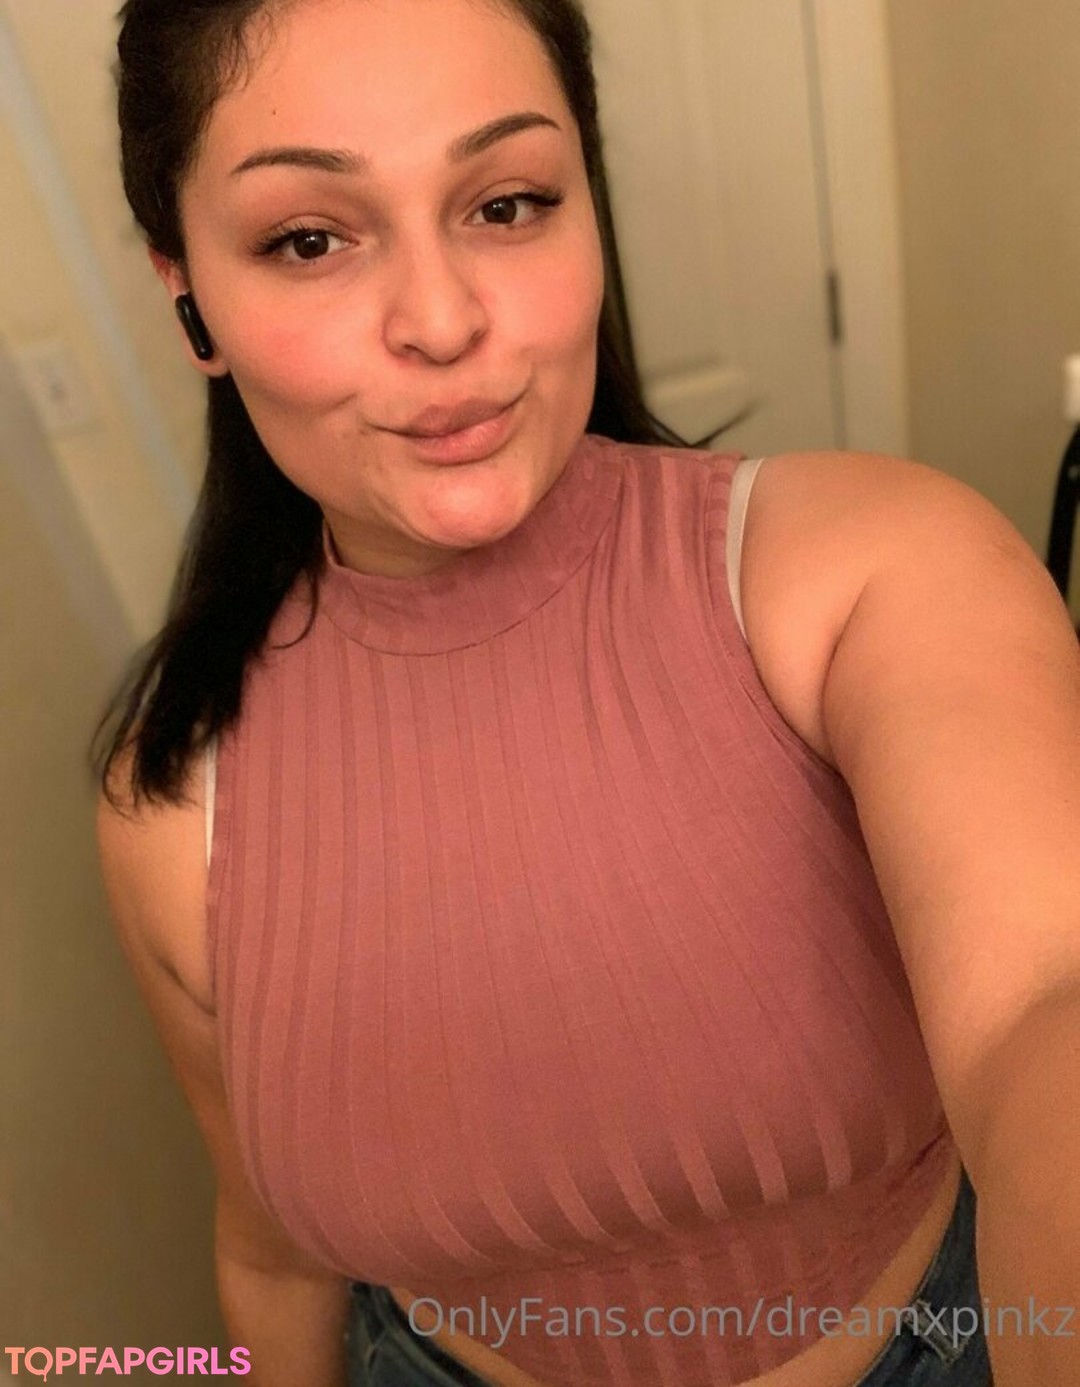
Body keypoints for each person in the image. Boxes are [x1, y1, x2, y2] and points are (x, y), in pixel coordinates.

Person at [92, 1, 1080, 1385]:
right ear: (189, 293)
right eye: (309, 239)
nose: (444, 320)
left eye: (507, 204)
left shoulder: (877, 573)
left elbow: (1045, 1006)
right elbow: (274, 1251)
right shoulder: (175, 800)